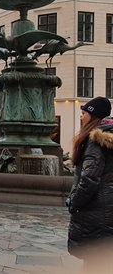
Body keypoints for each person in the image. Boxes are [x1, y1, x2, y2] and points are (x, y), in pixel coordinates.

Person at [67, 96, 113, 273]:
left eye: (84, 113)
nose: (81, 117)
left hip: (96, 211)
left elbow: (89, 180)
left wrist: (73, 202)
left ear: (94, 116)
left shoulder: (95, 141)